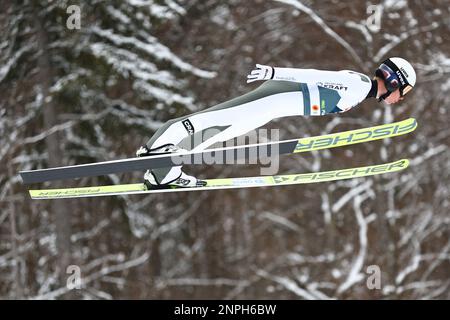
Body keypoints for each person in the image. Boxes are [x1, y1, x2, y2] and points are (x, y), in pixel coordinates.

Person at [135, 57, 416, 189]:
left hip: (274, 107)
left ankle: (163, 171)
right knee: (216, 120)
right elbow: (315, 73)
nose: (400, 99)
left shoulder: (361, 90)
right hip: (275, 98)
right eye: (403, 92)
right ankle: (159, 145)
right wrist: (273, 72)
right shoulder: (359, 84)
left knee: (219, 133)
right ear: (395, 82)